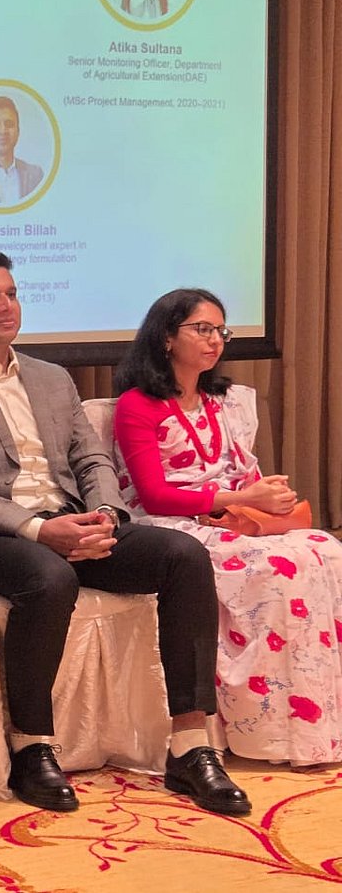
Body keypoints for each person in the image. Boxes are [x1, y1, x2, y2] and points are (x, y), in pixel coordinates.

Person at [0, 251, 252, 816]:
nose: (7, 305)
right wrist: (38, 530)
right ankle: (32, 746)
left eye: (11, 293)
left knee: (182, 554)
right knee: (48, 573)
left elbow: (91, 460)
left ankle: (189, 745)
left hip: (73, 520)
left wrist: (106, 515)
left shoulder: (51, 377)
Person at [113, 288, 342, 766]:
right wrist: (241, 498)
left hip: (230, 517)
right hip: (171, 524)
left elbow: (242, 473)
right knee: (281, 563)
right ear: (167, 337)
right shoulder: (138, 404)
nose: (215, 340)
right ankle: (261, 725)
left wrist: (266, 494)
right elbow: (153, 494)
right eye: (202, 329)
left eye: (221, 331)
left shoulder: (226, 400)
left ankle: (315, 720)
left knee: (324, 547)